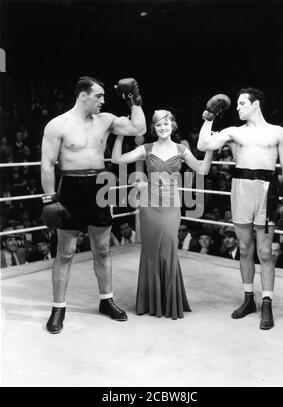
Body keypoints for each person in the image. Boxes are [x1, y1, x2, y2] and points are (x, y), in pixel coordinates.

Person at [41, 76, 146, 333]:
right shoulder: (58, 125)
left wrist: (135, 101)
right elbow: (47, 163)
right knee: (65, 252)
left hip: (99, 185)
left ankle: (106, 300)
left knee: (102, 248)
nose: (103, 100)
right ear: (83, 95)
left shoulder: (107, 120)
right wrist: (49, 198)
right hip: (71, 187)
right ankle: (58, 307)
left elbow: (138, 129)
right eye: (98, 96)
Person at [197, 88, 283, 329]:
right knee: (244, 248)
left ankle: (267, 303)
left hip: (267, 191)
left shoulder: (277, 132)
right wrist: (208, 119)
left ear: (256, 105)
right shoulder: (233, 131)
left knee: (265, 253)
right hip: (240, 189)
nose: (238, 107)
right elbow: (203, 145)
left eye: (242, 103)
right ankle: (248, 299)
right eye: (238, 104)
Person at [112, 109, 213, 319]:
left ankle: (168, 302)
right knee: (150, 252)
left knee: (168, 249)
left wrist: (210, 148)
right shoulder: (146, 149)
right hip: (149, 207)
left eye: (166, 123)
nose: (163, 127)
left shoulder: (181, 149)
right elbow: (116, 160)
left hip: (171, 207)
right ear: (154, 128)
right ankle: (151, 302)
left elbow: (202, 170)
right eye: (158, 124)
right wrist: (120, 135)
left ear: (173, 125)